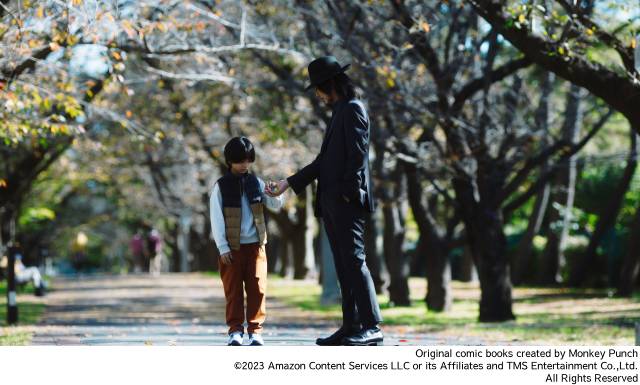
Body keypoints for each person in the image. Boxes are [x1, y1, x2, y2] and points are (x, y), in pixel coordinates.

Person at [266, 56, 383, 346]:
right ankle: (351, 325)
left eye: (318, 88)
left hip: (347, 201)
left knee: (355, 262)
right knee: (344, 265)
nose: (318, 95)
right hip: (331, 201)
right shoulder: (340, 111)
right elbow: (323, 161)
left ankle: (372, 326)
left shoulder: (354, 109)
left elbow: (357, 155)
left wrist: (347, 191)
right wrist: (288, 184)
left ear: (329, 84)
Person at [209, 136, 284, 346]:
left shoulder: (256, 182)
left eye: (248, 160)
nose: (244, 165)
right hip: (231, 248)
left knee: (258, 288)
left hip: (256, 246)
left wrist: (275, 194)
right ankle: (235, 331)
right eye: (240, 161)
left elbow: (275, 204)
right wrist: (222, 247)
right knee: (233, 291)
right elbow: (216, 218)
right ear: (229, 161)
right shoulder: (221, 187)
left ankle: (255, 330)